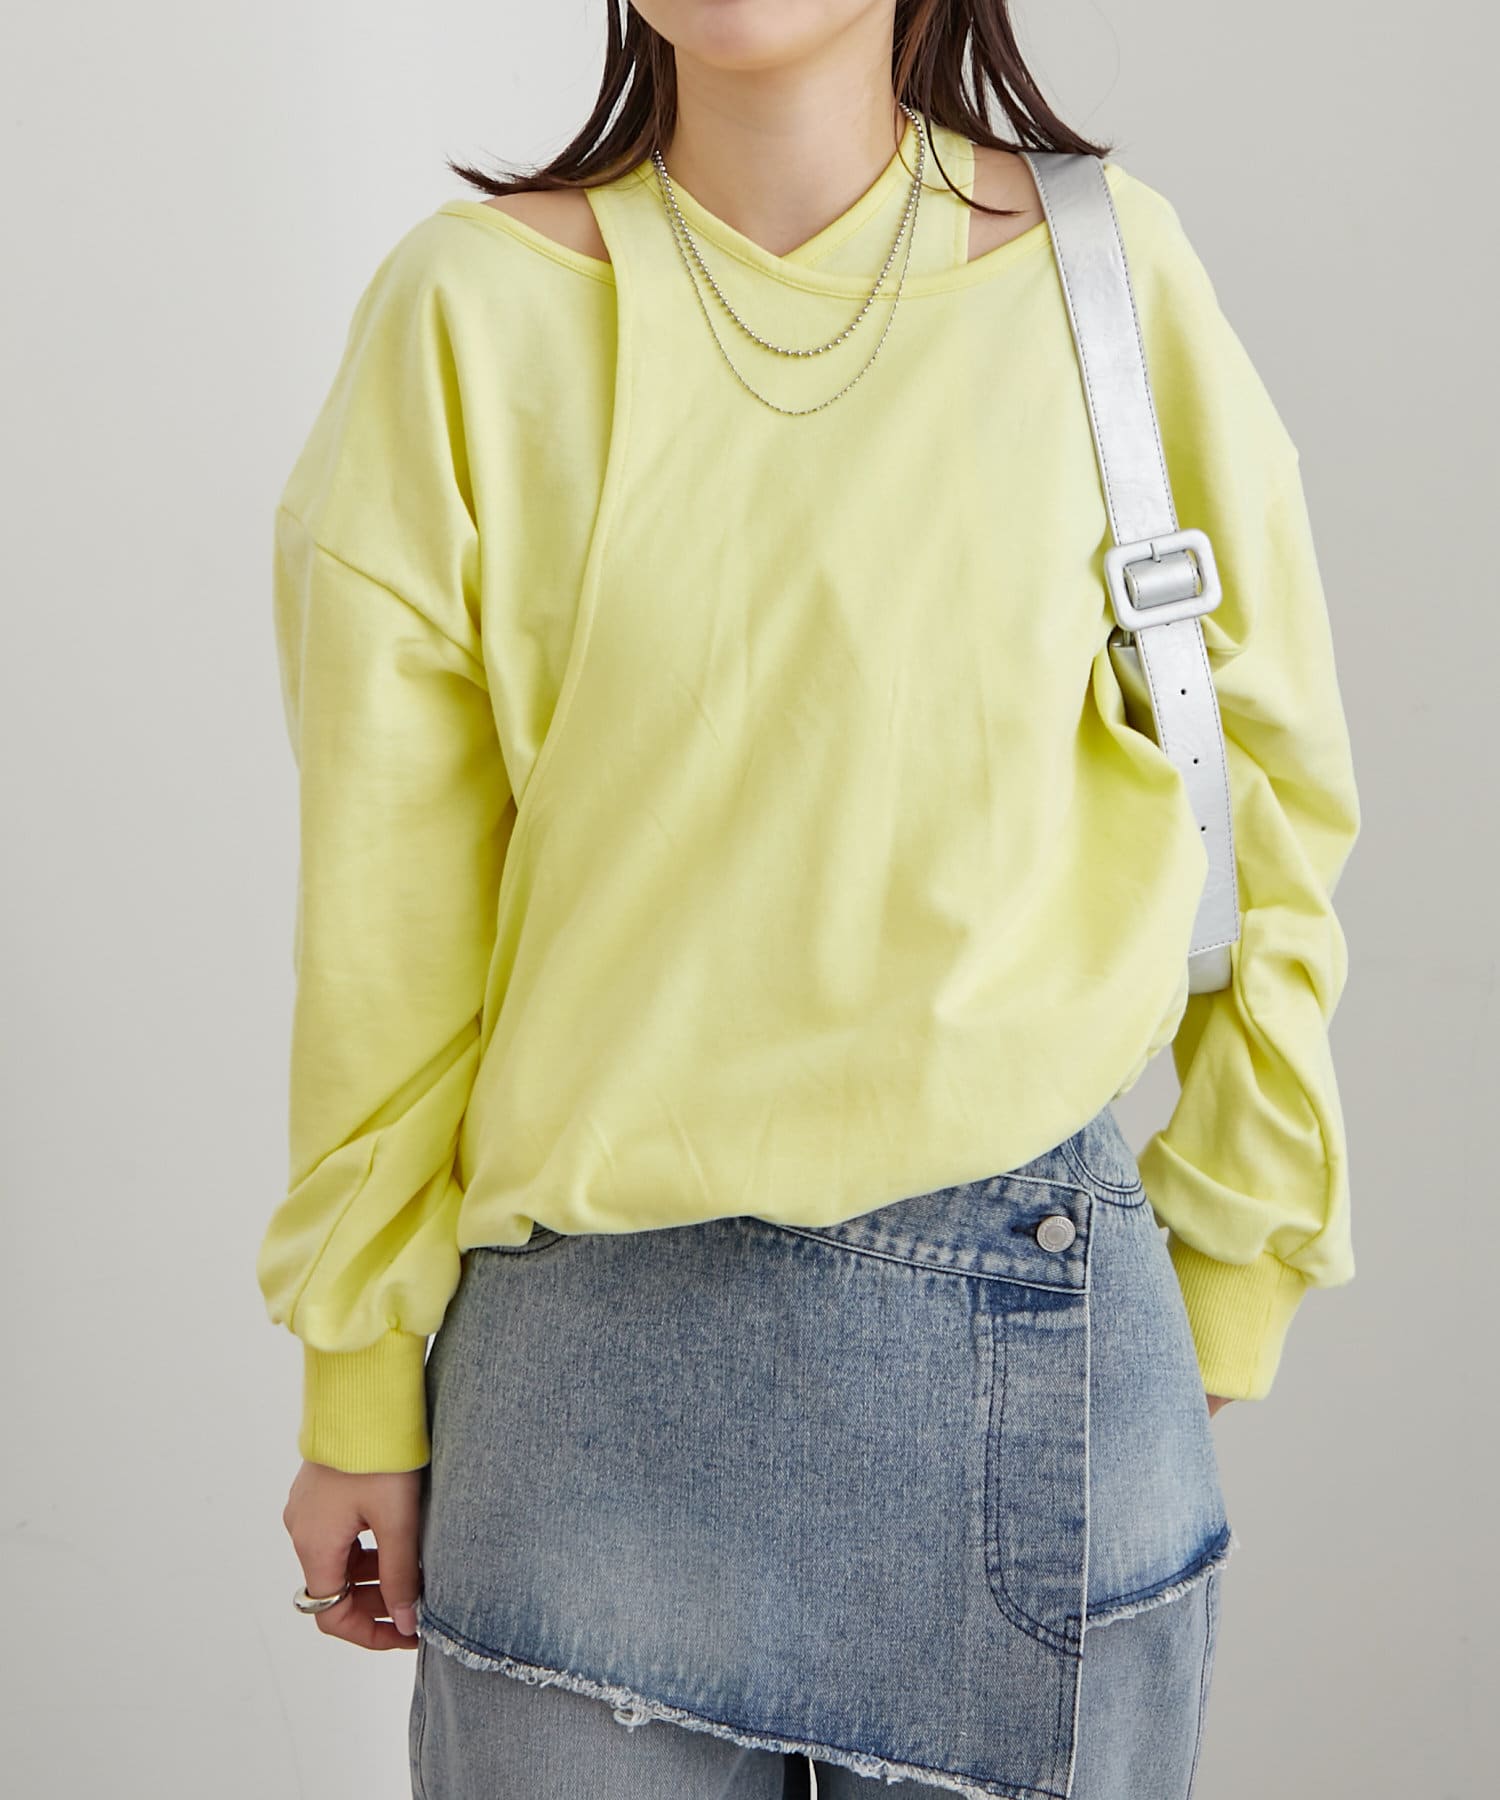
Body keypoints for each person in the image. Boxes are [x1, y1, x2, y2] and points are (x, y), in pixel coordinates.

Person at [259, 4, 1361, 1797]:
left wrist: (1241, 1248)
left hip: (1038, 1354)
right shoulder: (464, 311)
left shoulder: (1107, 278)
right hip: (583, 1421)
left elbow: (1274, 787)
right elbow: (387, 924)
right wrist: (358, 1380)